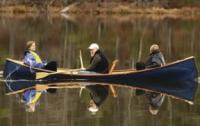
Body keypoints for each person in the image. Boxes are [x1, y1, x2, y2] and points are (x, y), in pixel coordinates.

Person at [22, 40, 57, 112]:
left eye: (35, 45)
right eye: (33, 46)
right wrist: (43, 66)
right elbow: (32, 63)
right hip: (36, 71)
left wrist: (44, 64)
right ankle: (48, 74)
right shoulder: (28, 55)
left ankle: (48, 72)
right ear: (29, 47)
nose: (35, 47)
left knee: (53, 64)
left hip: (39, 70)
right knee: (53, 65)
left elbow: (39, 62)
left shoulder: (33, 54)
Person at [85, 43, 109, 114]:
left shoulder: (97, 56)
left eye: (92, 50)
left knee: (83, 73)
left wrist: (84, 85)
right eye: (91, 105)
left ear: (96, 49)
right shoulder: (98, 55)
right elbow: (91, 68)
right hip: (100, 74)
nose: (90, 51)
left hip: (101, 75)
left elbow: (91, 68)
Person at [145, 44, 166, 115]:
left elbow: (156, 64)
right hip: (159, 74)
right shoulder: (160, 54)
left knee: (139, 65)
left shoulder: (154, 56)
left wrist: (145, 68)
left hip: (154, 74)